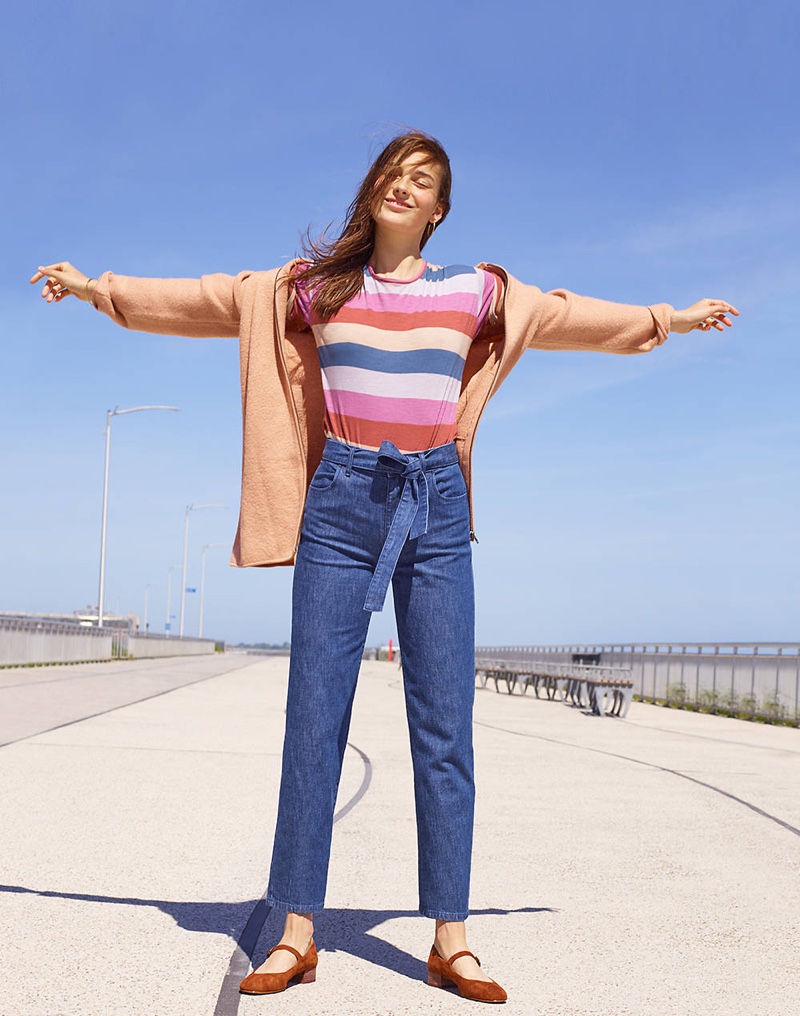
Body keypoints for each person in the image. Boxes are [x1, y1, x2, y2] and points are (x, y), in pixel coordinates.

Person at [30, 129, 738, 1004]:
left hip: (435, 501)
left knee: (444, 726)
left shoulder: (476, 290)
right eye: (396, 175)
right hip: (340, 501)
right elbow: (206, 300)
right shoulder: (314, 287)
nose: (407, 188)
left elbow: (566, 315)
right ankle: (296, 931)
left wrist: (668, 317)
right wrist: (98, 288)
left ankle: (452, 936)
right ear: (374, 191)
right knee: (313, 719)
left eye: (425, 182)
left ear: (439, 210)